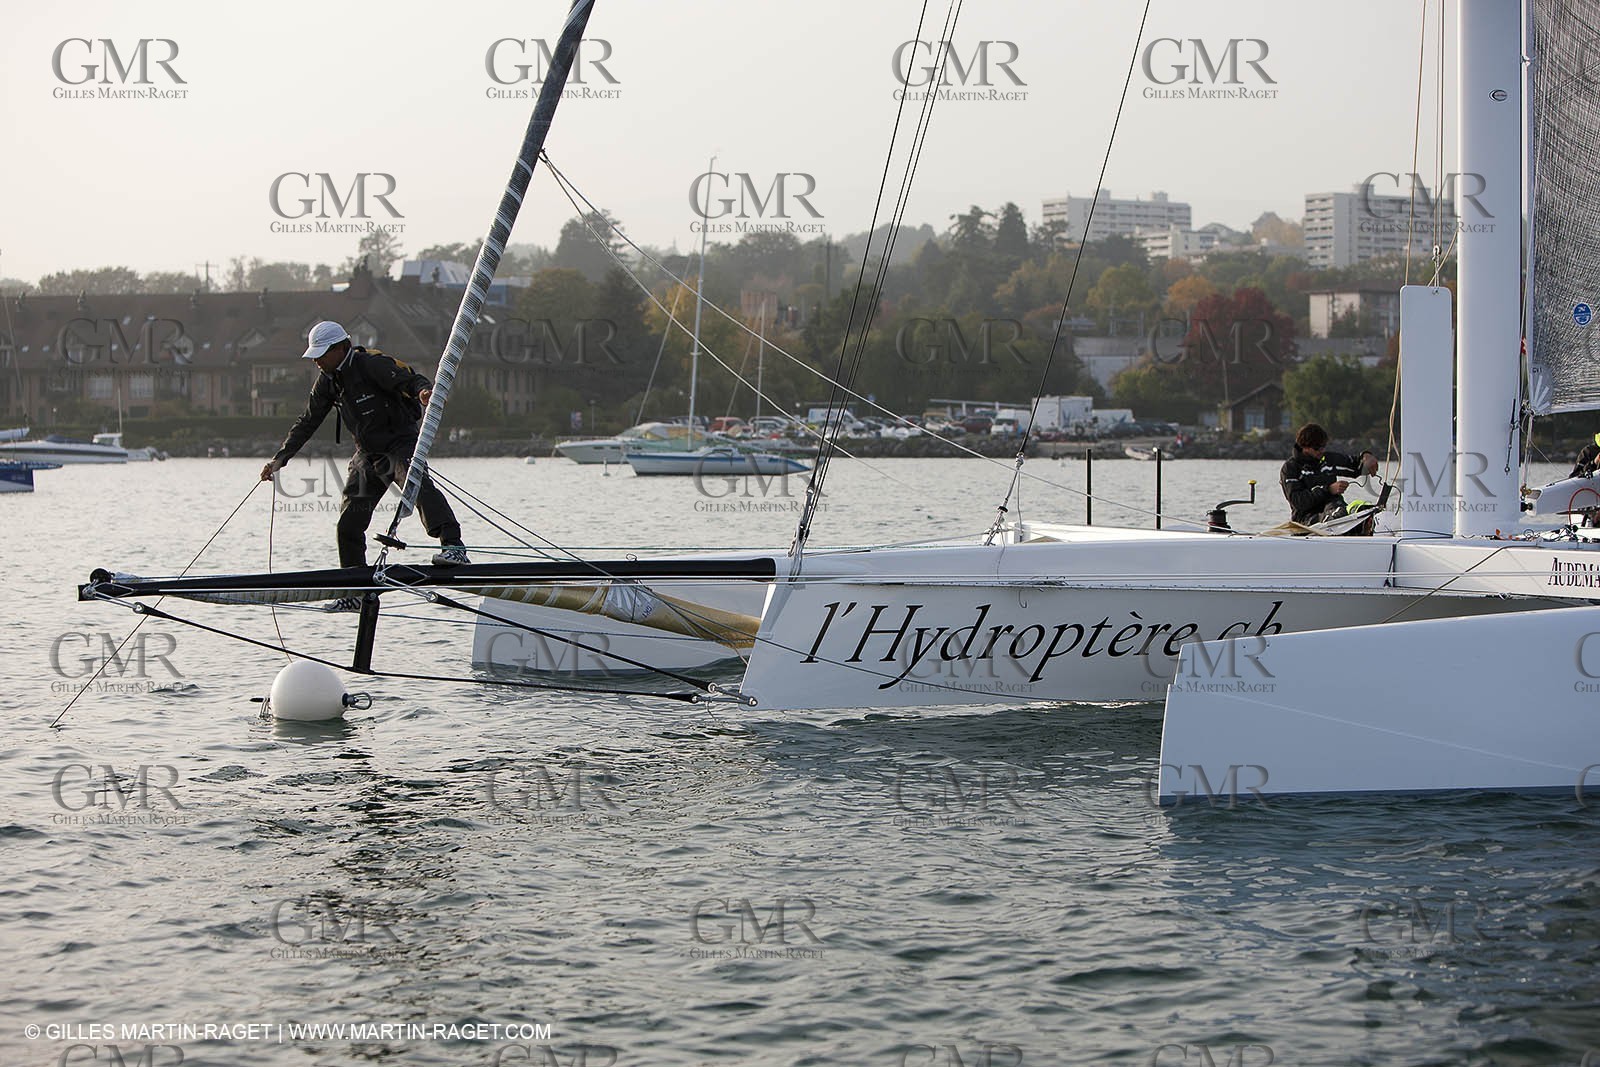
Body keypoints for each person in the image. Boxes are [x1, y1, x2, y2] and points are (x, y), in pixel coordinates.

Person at [260, 321, 469, 610]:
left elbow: (412, 379)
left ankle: (453, 546)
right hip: (367, 454)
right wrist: (280, 459)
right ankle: (355, 591)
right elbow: (307, 421)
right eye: (315, 356)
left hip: (399, 444)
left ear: (341, 347)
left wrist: (423, 393)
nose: (317, 361)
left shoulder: (372, 364)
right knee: (348, 524)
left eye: (322, 354)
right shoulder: (327, 380)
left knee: (417, 486)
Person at [1280, 422, 1379, 526]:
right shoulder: (1290, 468)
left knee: (1360, 509)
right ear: (1304, 446)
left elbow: (1356, 465)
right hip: (1306, 519)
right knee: (1338, 512)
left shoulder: (1328, 460)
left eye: (1323, 446)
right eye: (1317, 448)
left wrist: (1366, 456)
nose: (1321, 451)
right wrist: (1329, 489)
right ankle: (1339, 520)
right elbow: (1299, 502)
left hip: (1335, 509)